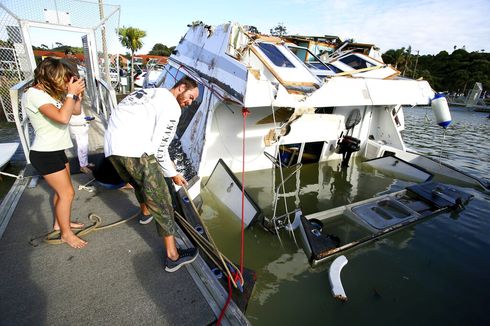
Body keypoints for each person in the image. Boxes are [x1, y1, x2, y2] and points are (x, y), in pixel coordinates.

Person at [104, 76, 199, 272]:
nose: (189, 103)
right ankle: (173, 256)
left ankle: (145, 213)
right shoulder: (172, 107)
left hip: (112, 150)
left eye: (192, 101)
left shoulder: (149, 92)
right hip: (136, 152)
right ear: (181, 87)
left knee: (138, 183)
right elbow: (159, 149)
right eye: (189, 97)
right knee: (163, 201)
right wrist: (173, 174)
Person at [23, 57, 86, 248]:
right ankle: (66, 234)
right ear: (49, 76)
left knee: (61, 193)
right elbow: (62, 118)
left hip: (56, 150)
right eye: (61, 78)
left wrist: (76, 96)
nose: (63, 82)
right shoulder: (34, 94)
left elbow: (74, 112)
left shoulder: (47, 94)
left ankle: (61, 224)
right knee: (67, 193)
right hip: (44, 153)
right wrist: (69, 94)